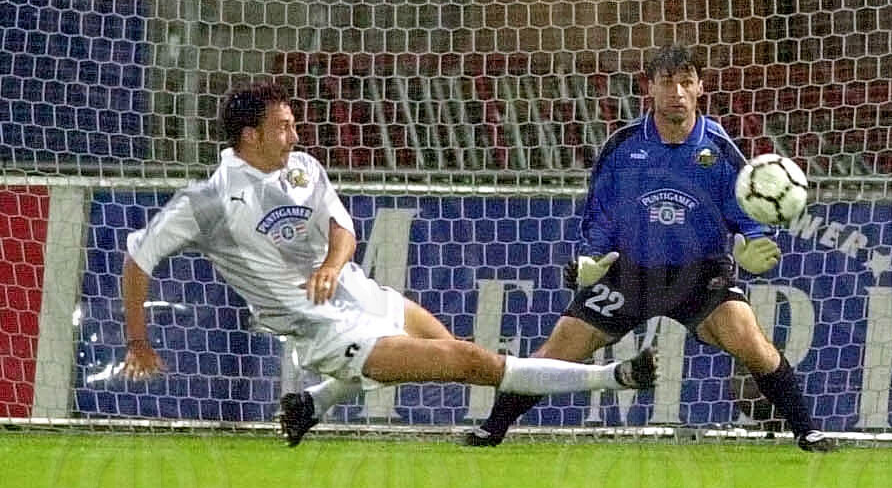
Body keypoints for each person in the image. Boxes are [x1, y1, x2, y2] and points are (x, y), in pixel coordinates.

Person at [121, 81, 657, 446]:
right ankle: (615, 376)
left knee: (452, 348)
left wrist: (333, 266)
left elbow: (343, 230)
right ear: (250, 136)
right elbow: (138, 258)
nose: (296, 135)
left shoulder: (303, 169)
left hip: (360, 294)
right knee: (472, 361)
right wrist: (139, 341)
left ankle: (311, 403)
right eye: (283, 127)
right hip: (326, 333)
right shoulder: (206, 203)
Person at [465, 44, 836, 452]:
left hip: (700, 275)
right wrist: (591, 259)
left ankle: (808, 432)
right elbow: (600, 216)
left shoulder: (719, 148)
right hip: (630, 273)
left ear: (700, 88)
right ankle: (491, 430)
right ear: (650, 87)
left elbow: (747, 209)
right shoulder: (624, 146)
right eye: (667, 82)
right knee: (561, 346)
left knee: (749, 340)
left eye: (686, 82)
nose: (677, 92)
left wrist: (753, 242)